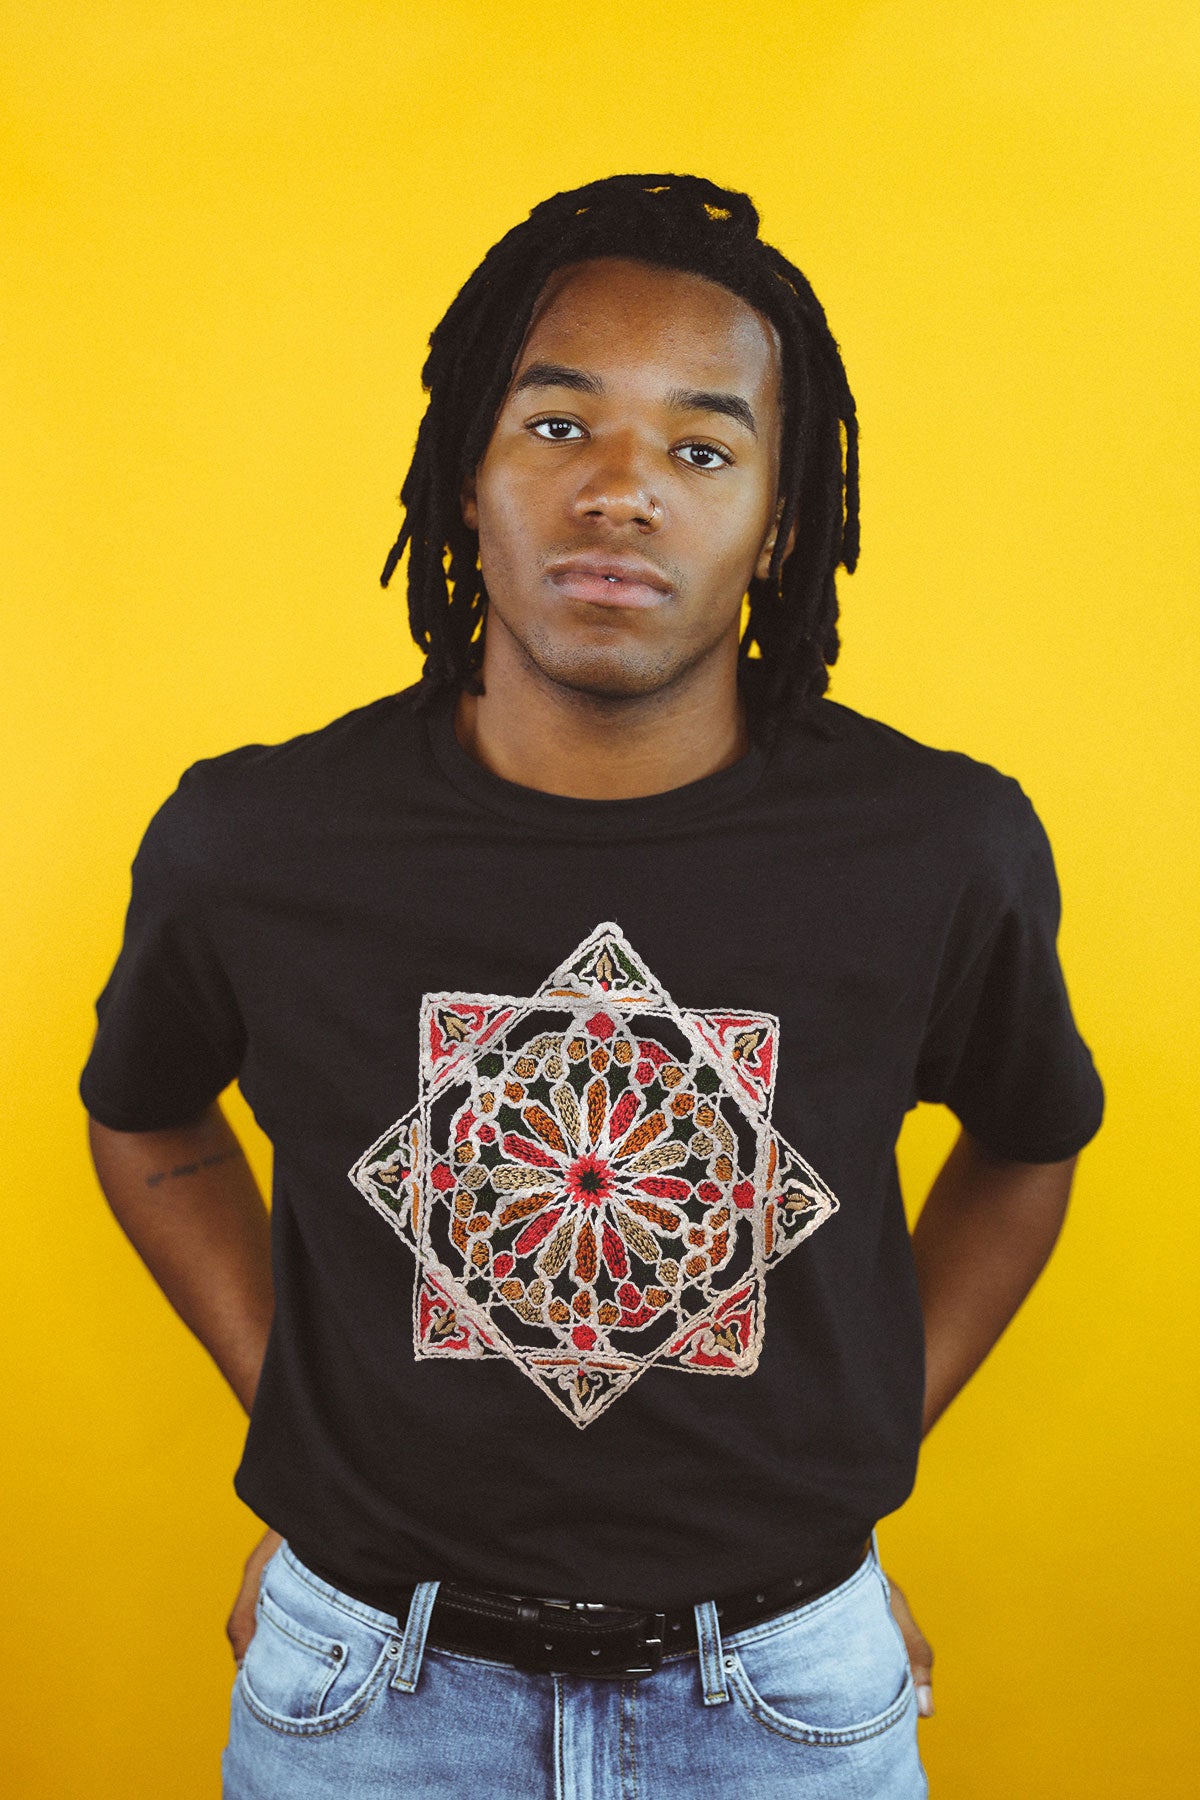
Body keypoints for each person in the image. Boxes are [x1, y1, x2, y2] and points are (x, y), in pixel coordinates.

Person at [82, 173, 1103, 1798]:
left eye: (702, 449)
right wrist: (306, 1421)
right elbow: (146, 1116)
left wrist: (847, 1457)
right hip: (366, 1700)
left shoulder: (936, 847)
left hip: (786, 1703)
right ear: (464, 475)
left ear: (782, 520)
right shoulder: (258, 841)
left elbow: (1030, 1141)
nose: (622, 490)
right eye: (557, 426)